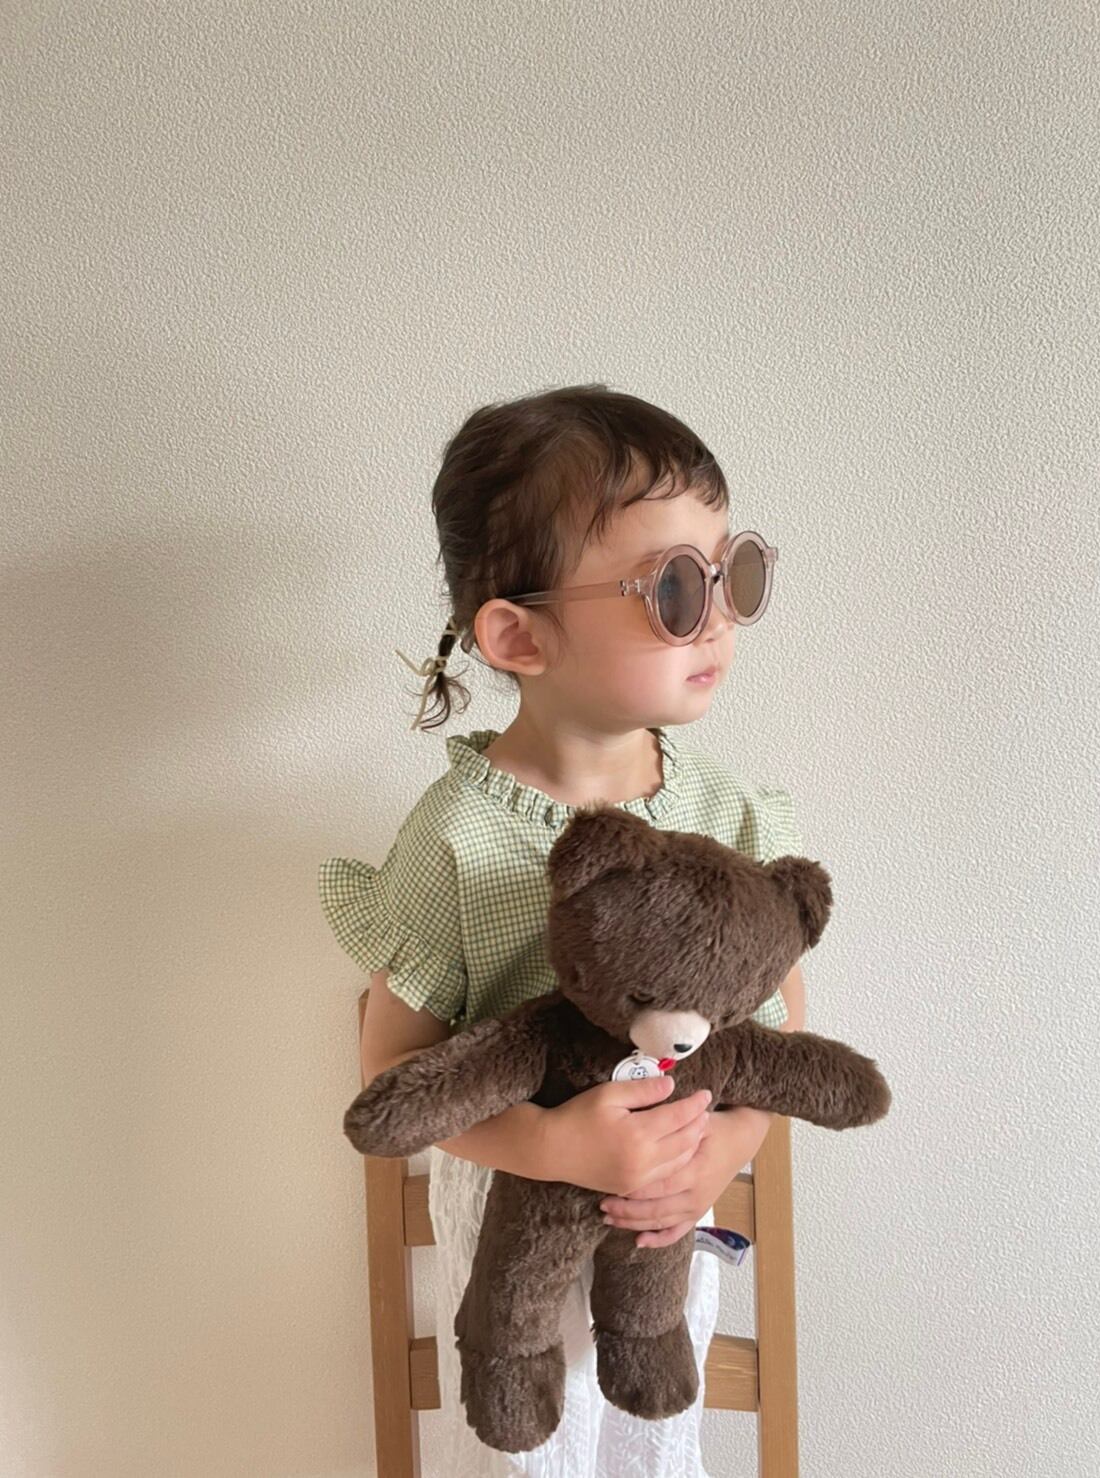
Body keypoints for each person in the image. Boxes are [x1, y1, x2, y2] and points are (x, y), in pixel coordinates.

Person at [319, 383, 809, 1477]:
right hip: (510, 1209)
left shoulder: (725, 815)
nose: (718, 617)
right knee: (523, 1447)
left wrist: (720, 1153)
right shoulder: (458, 838)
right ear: (518, 634)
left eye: (732, 572)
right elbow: (393, 1066)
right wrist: (547, 1145)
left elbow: (773, 1037)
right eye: (674, 588)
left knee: (653, 1437)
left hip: (665, 1208)